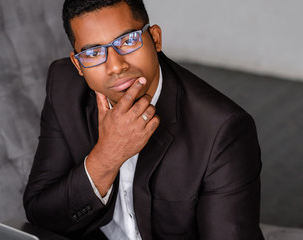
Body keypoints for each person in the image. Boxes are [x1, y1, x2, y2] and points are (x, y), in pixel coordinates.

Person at [23, 0, 264, 239]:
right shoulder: (64, 86)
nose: (115, 66)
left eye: (127, 41)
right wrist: (107, 157)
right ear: (78, 64)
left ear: (155, 38)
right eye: (94, 52)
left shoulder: (222, 129)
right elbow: (40, 213)